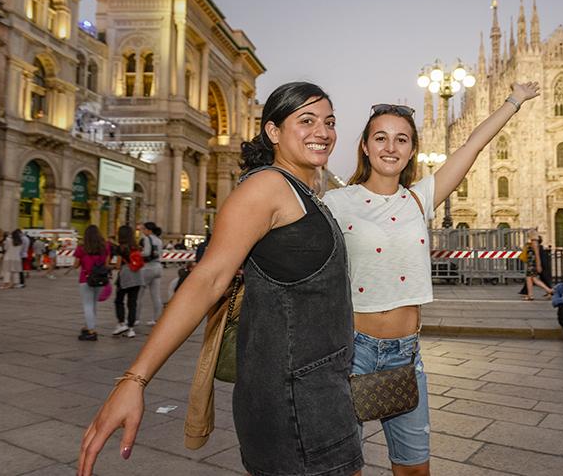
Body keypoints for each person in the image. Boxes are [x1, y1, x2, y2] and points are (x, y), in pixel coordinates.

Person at [77, 82, 363, 476]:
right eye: (307, 120)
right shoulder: (266, 187)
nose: (324, 132)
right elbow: (208, 279)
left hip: (318, 389)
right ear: (274, 131)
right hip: (294, 399)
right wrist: (135, 379)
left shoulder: (302, 191)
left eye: (330, 122)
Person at [323, 81, 540, 475]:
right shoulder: (337, 202)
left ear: (411, 151)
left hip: (405, 353)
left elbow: (472, 146)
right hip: (351, 349)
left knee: (414, 469)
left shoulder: (419, 199)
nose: (391, 147)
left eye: (401, 140)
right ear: (366, 146)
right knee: (344, 468)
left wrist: (514, 101)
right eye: (381, 138)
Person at [74, 225, 111, 341]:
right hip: (100, 278)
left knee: (87, 305)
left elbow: (76, 265)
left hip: (86, 278)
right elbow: (106, 264)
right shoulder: (105, 247)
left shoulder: (81, 247)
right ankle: (88, 325)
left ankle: (91, 330)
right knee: (93, 304)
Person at [111, 225, 144, 339]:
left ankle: (121, 323)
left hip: (125, 276)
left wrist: (112, 266)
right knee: (132, 303)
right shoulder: (136, 246)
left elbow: (118, 265)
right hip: (137, 276)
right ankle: (131, 329)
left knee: (119, 300)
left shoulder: (120, 247)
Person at [136, 222, 163, 325]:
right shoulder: (159, 240)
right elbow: (160, 254)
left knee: (139, 295)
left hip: (148, 268)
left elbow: (146, 253)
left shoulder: (147, 239)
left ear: (149, 230)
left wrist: (138, 254)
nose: (143, 231)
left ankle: (136, 318)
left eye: (144, 229)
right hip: (158, 267)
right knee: (156, 295)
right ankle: (156, 318)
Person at [517, 229, 553, 300]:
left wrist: (538, 265)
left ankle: (548, 290)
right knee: (530, 279)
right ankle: (530, 295)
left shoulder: (534, 242)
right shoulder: (533, 242)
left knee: (533, 279)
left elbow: (537, 255)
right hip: (531, 263)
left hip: (532, 263)